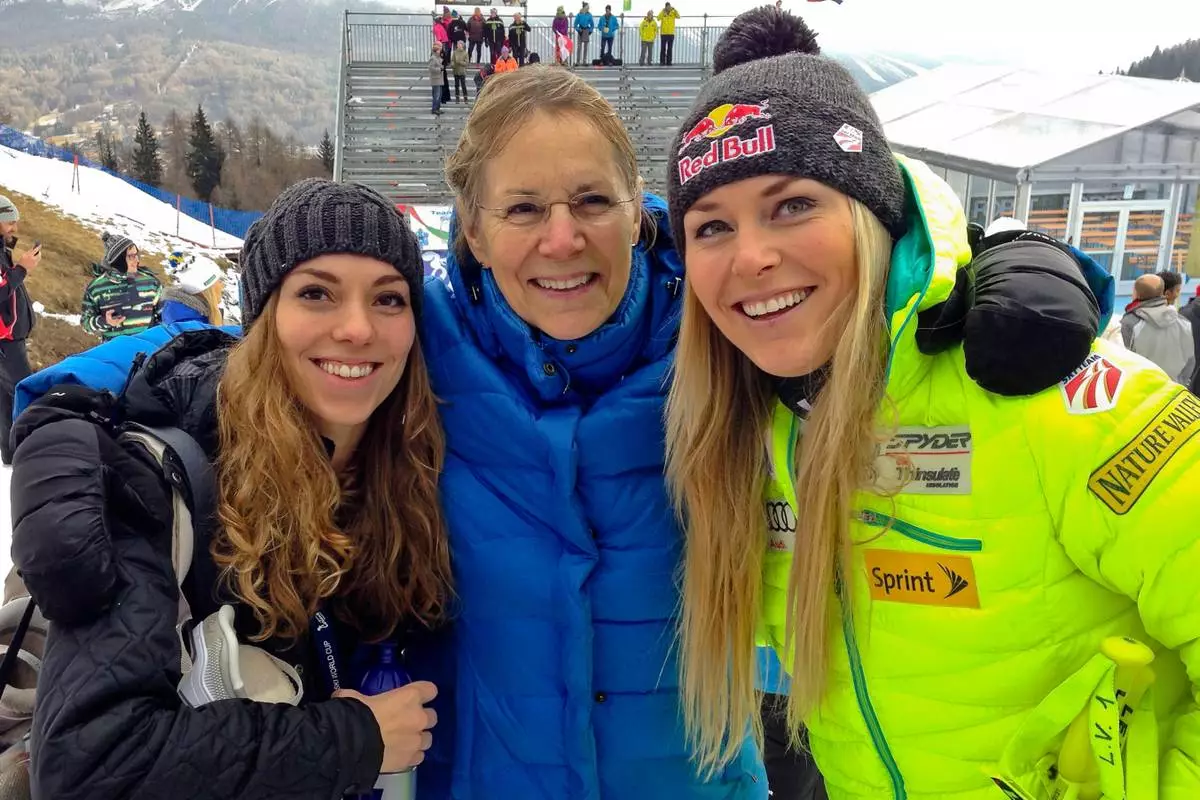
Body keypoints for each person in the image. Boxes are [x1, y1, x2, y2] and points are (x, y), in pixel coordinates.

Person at [663, 8, 1200, 800]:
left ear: (875, 214)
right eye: (711, 226)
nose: (751, 257)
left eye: (793, 205)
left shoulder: (1045, 391)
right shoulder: (742, 425)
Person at [10, 180, 450, 798]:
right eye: (316, 293)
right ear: (262, 318)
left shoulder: (417, 470)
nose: (357, 328)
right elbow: (88, 766)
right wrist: (355, 740)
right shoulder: (160, 483)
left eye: (388, 298)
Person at [414, 63, 767, 799]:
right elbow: (272, 364)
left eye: (592, 201)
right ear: (474, 231)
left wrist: (1006, 273)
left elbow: (868, 290)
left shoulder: (728, 332)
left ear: (636, 212)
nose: (563, 238)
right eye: (523, 209)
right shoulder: (418, 346)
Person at [0, 195, 38, 465]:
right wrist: (22, 268)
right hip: (6, 342)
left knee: (6, 398)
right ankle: (32, 454)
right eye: (10, 222)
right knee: (26, 394)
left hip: (9, 339)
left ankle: (11, 453)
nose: (14, 227)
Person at [80, 233, 162, 340]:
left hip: (149, 348)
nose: (137, 260)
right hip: (115, 349)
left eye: (136, 255)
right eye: (131, 256)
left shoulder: (151, 283)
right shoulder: (96, 288)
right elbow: (85, 323)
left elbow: (164, 316)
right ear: (118, 260)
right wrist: (105, 321)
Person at [159, 254, 225, 325]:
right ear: (208, 289)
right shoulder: (191, 323)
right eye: (219, 281)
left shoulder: (182, 313)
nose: (222, 286)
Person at [430, 42, 446, 115]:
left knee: (439, 95)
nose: (440, 51)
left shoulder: (438, 57)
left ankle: (437, 108)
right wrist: (440, 69)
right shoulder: (433, 58)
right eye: (439, 50)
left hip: (439, 78)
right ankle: (434, 109)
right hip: (435, 79)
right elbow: (431, 68)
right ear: (436, 51)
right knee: (436, 95)